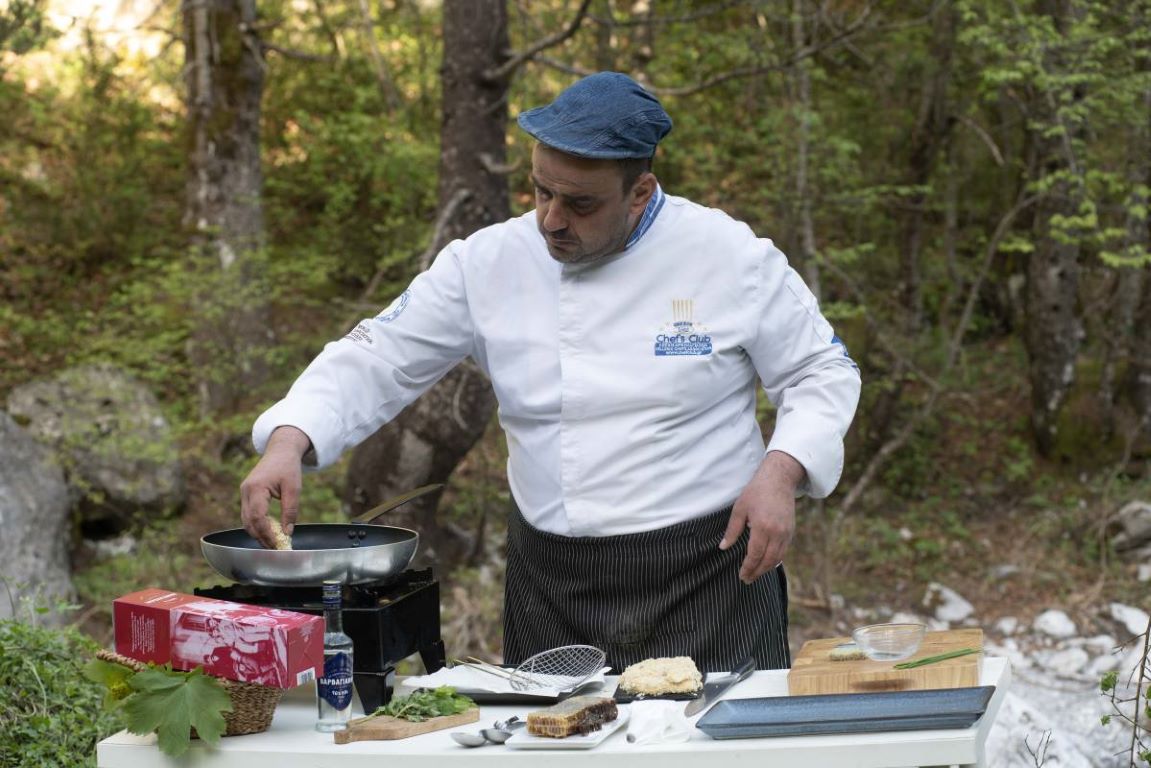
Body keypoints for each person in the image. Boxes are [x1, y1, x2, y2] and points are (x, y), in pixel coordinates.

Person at [240, 72, 861, 673]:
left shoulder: (729, 255)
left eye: (580, 203)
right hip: (551, 580)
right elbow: (379, 353)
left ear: (640, 192)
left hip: (708, 571)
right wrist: (291, 438)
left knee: (712, 735)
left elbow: (820, 368)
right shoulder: (487, 262)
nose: (552, 220)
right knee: (552, 735)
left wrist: (782, 471)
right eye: (541, 192)